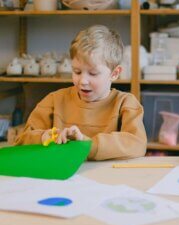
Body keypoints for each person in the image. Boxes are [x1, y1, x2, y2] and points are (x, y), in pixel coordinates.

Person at [15, 25, 147, 160]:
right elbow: (21, 141)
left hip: (106, 178)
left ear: (115, 73)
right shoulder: (54, 100)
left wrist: (88, 145)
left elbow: (137, 145)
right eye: (77, 71)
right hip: (61, 177)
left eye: (93, 73)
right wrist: (44, 137)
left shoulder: (125, 103)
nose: (83, 81)